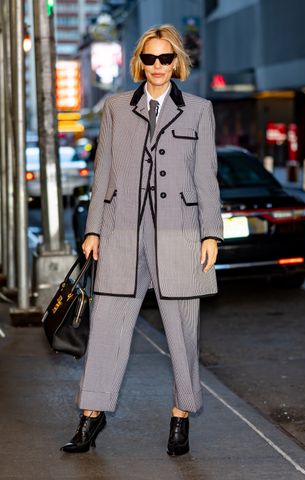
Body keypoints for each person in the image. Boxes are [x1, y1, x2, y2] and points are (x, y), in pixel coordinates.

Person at [61, 24, 223, 456]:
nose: (157, 66)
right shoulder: (116, 108)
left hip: (181, 234)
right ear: (140, 62)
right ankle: (90, 418)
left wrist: (212, 233)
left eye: (165, 58)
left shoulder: (199, 110)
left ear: (176, 62)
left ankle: (180, 417)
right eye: (149, 58)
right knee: (109, 330)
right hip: (122, 234)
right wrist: (93, 229)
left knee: (182, 333)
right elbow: (103, 174)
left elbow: (206, 177)